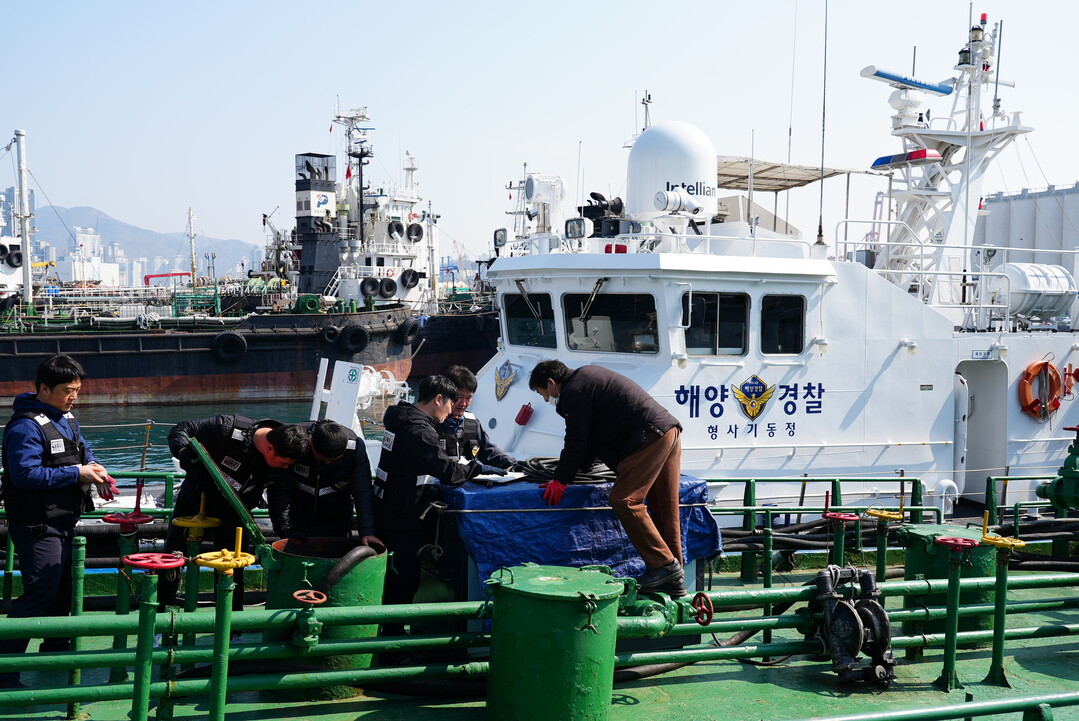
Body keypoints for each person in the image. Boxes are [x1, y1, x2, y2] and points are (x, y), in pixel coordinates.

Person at [0, 355, 116, 688]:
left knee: (62, 591)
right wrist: (76, 472)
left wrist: (95, 469)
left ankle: (55, 651)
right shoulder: (25, 426)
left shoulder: (66, 419)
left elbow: (81, 449)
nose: (74, 397)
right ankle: (5, 669)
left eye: (77, 390)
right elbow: (24, 474)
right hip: (36, 525)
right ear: (44, 389)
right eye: (67, 390)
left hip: (63, 520)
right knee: (40, 593)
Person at [528, 360, 685, 596]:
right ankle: (675, 578)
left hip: (649, 436)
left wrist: (561, 480)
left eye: (543, 394)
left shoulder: (574, 390)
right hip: (668, 431)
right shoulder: (587, 378)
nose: (545, 400)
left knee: (625, 500)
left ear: (551, 384)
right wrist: (581, 466)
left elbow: (576, 439)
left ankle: (664, 566)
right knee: (664, 507)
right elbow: (591, 438)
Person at [373, 375, 499, 635]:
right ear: (438, 399)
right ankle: (393, 643)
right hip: (404, 516)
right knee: (404, 580)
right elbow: (448, 471)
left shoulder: (400, 418)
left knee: (395, 577)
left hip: (389, 509)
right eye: (450, 404)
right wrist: (482, 468)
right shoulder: (419, 430)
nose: (452, 410)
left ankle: (388, 634)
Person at [160, 415, 309, 609]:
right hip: (194, 501)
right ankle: (161, 615)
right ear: (269, 448)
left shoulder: (281, 458)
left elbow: (279, 498)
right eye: (284, 463)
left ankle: (231, 626)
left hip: (235, 511)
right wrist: (182, 451)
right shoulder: (225, 428)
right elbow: (182, 427)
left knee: (233, 568)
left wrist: (285, 529)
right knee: (173, 558)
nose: (286, 468)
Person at [266, 420, 382, 547]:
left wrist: (367, 532)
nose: (327, 463)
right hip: (298, 518)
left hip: (337, 520)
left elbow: (363, 493)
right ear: (311, 444)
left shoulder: (355, 448)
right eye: (323, 459)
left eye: (333, 460)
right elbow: (281, 488)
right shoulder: (295, 442)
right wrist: (286, 528)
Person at [436, 365, 517, 469]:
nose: (463, 403)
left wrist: (517, 466)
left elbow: (489, 452)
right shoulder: (429, 423)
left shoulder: (471, 423)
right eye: (459, 397)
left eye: (468, 398)